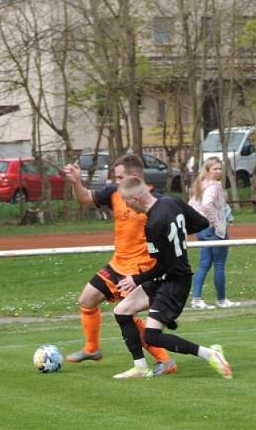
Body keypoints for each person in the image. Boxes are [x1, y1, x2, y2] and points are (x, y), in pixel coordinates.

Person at [62, 154, 177, 376]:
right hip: (117, 265)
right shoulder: (115, 193)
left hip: (139, 270)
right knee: (87, 299)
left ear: (134, 176)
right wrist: (76, 182)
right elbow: (85, 198)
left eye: (120, 177)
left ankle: (165, 359)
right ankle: (92, 349)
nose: (116, 182)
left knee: (126, 315)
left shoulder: (155, 202)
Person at [111, 174, 233, 380]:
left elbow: (162, 266)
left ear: (138, 198)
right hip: (165, 278)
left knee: (152, 336)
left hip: (175, 281)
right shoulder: (171, 201)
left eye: (128, 202)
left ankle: (211, 354)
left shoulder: (153, 225)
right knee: (122, 311)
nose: (129, 208)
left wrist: (136, 279)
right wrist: (178, 234)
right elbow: (202, 222)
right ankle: (140, 367)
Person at [187, 157, 240, 309]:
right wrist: (216, 223)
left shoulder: (199, 185)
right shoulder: (214, 186)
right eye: (215, 169)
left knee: (203, 264)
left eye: (219, 168)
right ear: (208, 170)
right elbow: (207, 205)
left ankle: (196, 299)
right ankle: (221, 300)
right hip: (213, 230)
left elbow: (192, 206)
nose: (218, 171)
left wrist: (198, 223)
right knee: (219, 265)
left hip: (202, 230)